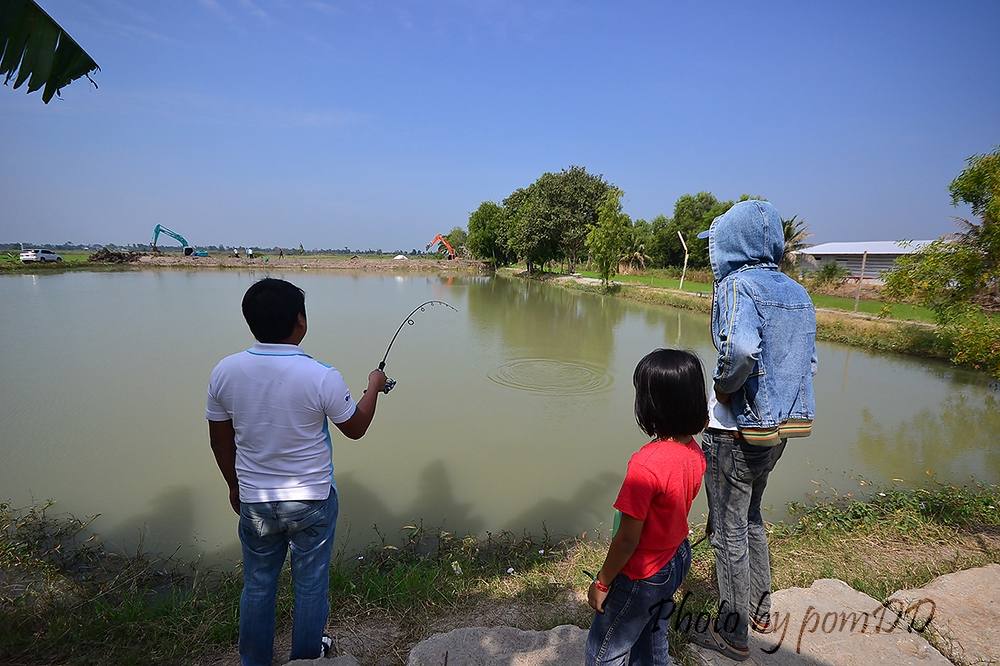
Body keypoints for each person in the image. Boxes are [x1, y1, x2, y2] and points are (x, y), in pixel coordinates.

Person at [206, 278, 388, 666]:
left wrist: (234, 486)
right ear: (300, 322)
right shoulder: (321, 375)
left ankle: (253, 660)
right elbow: (355, 427)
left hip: (256, 500)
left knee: (257, 583)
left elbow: (220, 442)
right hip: (312, 501)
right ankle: (306, 659)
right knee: (310, 585)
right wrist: (373, 386)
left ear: (250, 321)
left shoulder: (224, 372)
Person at [696, 200, 817, 661]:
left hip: (734, 432)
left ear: (731, 243)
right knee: (752, 516)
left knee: (728, 528)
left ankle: (732, 632)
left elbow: (742, 349)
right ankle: (761, 611)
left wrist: (725, 387)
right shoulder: (797, 292)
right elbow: (807, 362)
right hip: (780, 430)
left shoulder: (735, 287)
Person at [586, 349, 708, 665]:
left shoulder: (646, 466)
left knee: (605, 650)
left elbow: (627, 539)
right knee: (652, 641)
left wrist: (602, 582)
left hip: (642, 574)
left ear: (652, 404)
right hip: (676, 557)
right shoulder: (694, 450)